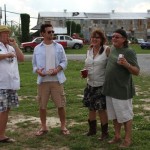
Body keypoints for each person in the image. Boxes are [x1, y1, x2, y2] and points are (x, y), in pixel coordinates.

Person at [102, 29, 140, 148]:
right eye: (113, 36)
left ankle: (127, 139)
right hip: (110, 89)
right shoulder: (112, 49)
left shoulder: (129, 52)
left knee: (125, 116)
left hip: (122, 90)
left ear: (124, 39)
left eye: (117, 37)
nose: (114, 39)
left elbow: (137, 71)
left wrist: (127, 65)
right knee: (114, 116)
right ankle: (117, 136)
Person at [32, 24, 70, 136]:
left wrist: (57, 69)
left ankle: (63, 126)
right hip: (43, 81)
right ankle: (43, 127)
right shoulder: (37, 48)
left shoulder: (59, 47)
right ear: (42, 33)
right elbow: (34, 65)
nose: (52, 34)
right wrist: (38, 71)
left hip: (56, 80)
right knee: (42, 106)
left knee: (61, 105)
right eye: (49, 32)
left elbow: (64, 62)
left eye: (53, 32)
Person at [82, 29, 110, 140]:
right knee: (91, 108)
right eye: (93, 37)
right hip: (90, 83)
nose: (95, 39)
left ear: (102, 39)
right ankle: (92, 130)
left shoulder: (107, 50)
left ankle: (105, 132)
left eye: (97, 37)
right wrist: (85, 72)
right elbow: (88, 65)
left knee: (101, 109)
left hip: (101, 84)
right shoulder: (89, 50)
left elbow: (111, 66)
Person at [0, 25, 24, 143]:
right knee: (2, 110)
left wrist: (15, 45)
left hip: (11, 83)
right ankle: (1, 135)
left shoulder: (10, 47)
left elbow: (21, 58)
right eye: (4, 33)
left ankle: (2, 134)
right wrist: (5, 55)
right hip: (1, 84)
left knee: (7, 109)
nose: (7, 35)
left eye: (8, 33)